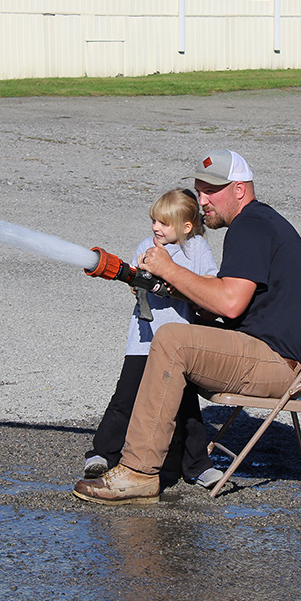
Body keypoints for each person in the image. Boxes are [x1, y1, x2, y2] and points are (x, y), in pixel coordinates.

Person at [73, 150, 301, 505]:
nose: (202, 200)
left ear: (239, 190)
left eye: (211, 191)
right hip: (270, 352)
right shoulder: (259, 223)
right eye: (199, 190)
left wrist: (168, 269)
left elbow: (229, 303)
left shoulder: (250, 226)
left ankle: (139, 472)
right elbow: (232, 306)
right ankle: (174, 460)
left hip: (277, 363)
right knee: (179, 338)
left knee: (172, 338)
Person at [83, 188, 223, 488]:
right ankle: (101, 453)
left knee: (185, 406)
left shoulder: (196, 249)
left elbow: (211, 284)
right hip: (144, 339)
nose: (155, 228)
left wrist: (174, 281)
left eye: (163, 223)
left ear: (186, 226)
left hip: (181, 345)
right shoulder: (147, 245)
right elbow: (135, 284)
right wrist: (138, 283)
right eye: (154, 221)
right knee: (126, 397)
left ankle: (197, 465)